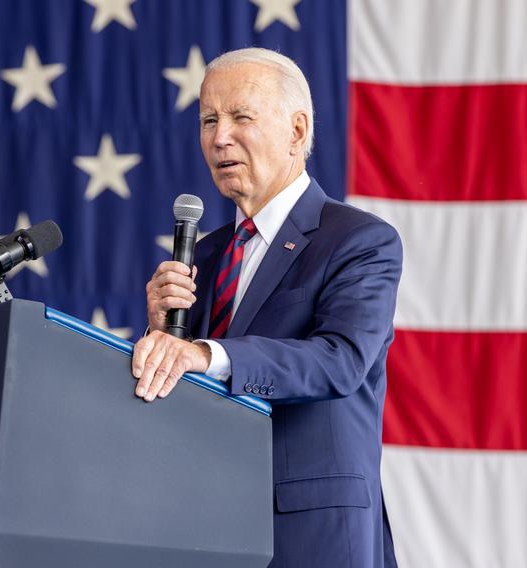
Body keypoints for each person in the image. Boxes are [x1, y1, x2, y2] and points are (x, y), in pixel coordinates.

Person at [130, 47, 401, 568]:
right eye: (209, 119)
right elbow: (181, 402)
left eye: (240, 117)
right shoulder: (202, 256)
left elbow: (340, 360)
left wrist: (204, 355)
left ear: (297, 132)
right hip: (203, 528)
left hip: (311, 533)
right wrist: (162, 335)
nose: (219, 137)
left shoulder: (360, 240)